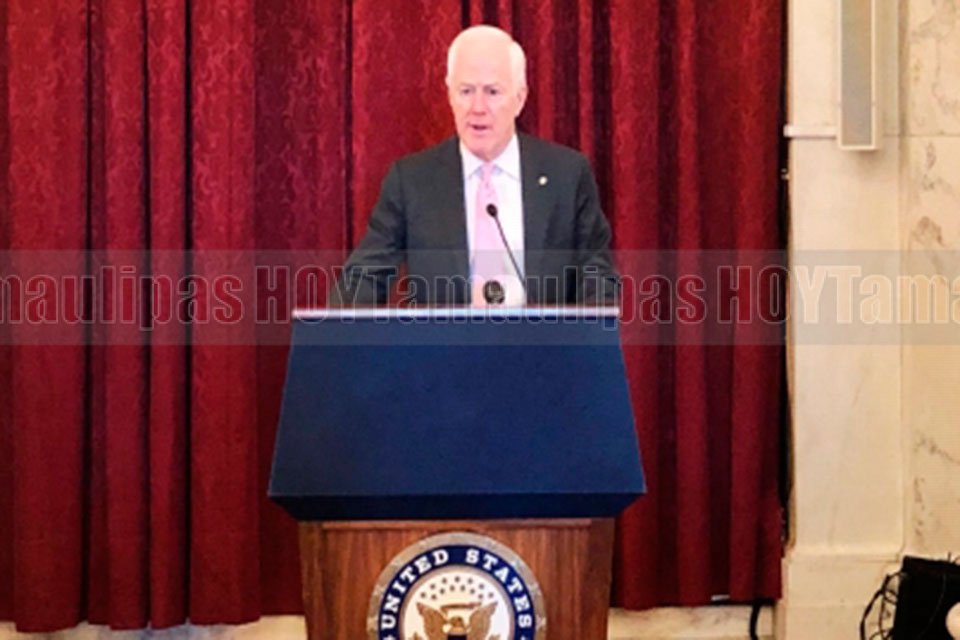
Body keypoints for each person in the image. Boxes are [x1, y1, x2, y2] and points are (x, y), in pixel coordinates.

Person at [331, 25, 618, 307]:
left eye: (492, 92)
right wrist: (339, 325)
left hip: (543, 339)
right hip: (444, 340)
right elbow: (363, 278)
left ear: (520, 98)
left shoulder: (566, 175)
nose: (478, 108)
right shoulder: (411, 181)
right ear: (450, 95)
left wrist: (587, 328)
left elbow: (597, 276)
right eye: (466, 91)